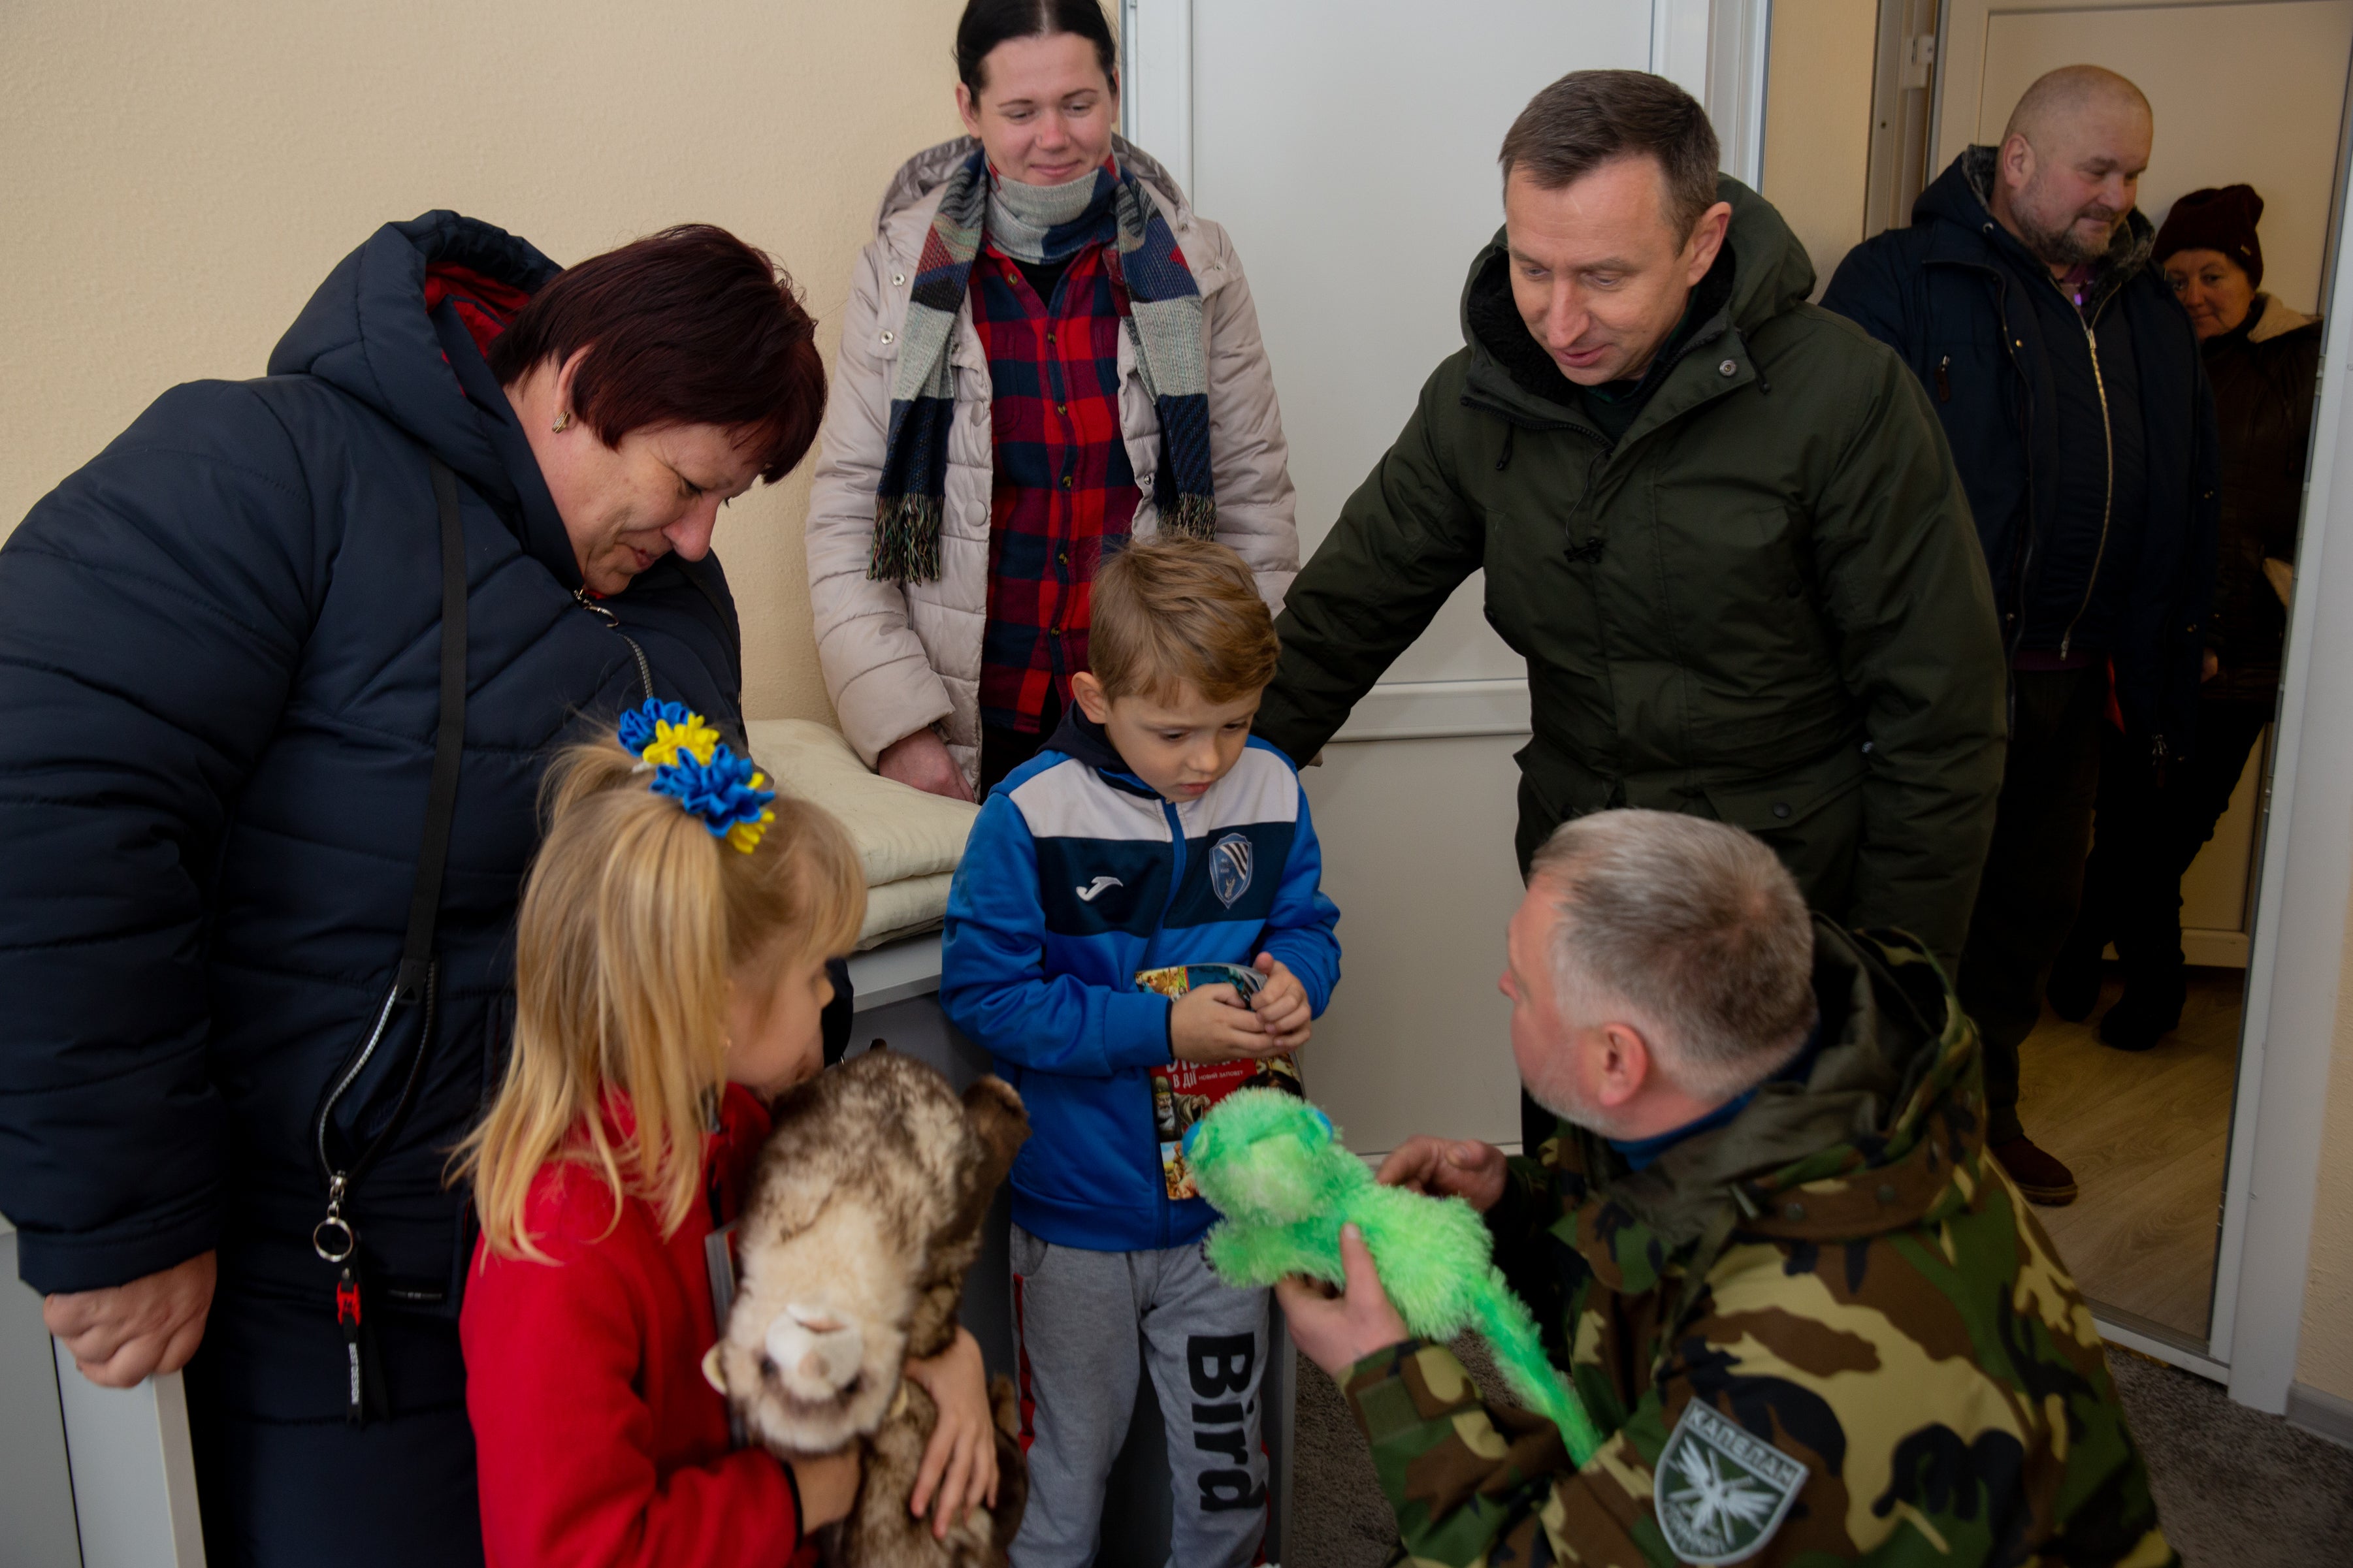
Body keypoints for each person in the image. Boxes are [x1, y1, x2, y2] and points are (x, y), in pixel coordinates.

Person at [0, 216, 826, 1565]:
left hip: (600, 1271)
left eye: (725, 502)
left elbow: (711, 882)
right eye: (684, 483)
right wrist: (119, 1209)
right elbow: (47, 792)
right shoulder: (273, 472)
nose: (696, 537)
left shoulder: (668, 612)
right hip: (348, 1307)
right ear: (575, 390)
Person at [1249, 68, 2005, 1158]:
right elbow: (1338, 620)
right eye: (1530, 267)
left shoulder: (1842, 399)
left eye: (1603, 276)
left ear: (1702, 245)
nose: (1559, 319)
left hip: (1782, 927)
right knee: (1579, 1226)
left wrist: (1889, 987)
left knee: (1752, 1269)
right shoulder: (1477, 400)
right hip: (1582, 916)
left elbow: (1944, 719)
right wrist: (1178, 799)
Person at [1277, 809, 2177, 1567]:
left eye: (1522, 989)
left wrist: (1382, 1370)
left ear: (1616, 1059)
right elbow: (1670, 1249)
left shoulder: (1782, 1374)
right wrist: (1512, 1208)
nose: (1501, 985)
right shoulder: (1822, 1099)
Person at [457, 706, 997, 1565]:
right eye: (813, 972)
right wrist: (791, 1497)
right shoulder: (559, 1253)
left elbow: (836, 1304)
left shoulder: (741, 1130)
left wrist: (943, 1350)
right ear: (710, 1007)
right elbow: (573, 1550)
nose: (828, 996)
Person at [1824, 66, 2218, 1205]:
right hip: (1932, 678)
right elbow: (1832, 487)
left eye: (2133, 170)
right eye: (2098, 169)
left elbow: (2191, 485)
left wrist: (2180, 636)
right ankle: (1873, 1144)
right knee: (1905, 920)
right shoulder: (1901, 279)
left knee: (2027, 920)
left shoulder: (2144, 305)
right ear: (2020, 162)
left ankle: (1985, 1118)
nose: (2119, 195)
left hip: (2079, 678)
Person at [939, 536, 1341, 1565]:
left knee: (1224, 1475)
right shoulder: (1026, 815)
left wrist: (1302, 977)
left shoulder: (1272, 790)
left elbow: (1304, 923)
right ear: (1095, 695)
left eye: (1235, 724)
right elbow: (987, 996)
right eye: (1174, 732)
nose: (1208, 761)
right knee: (1065, 1474)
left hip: (1226, 1218)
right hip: (1077, 1220)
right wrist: (1159, 1028)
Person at [807, 0, 1299, 803]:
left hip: (1154, 722)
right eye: (1019, 111)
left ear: (1113, 87)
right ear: (968, 108)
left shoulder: (1195, 264)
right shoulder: (901, 270)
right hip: (969, 727)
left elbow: (1250, 503)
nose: (1054, 137)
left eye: (1078, 104)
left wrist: (1229, 712)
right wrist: (899, 726)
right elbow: (848, 513)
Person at [2051, 185, 2318, 1049]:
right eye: (2177, 277)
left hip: (2243, 653)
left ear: (2250, 277)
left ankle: (2149, 989)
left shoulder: (2307, 360)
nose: (2195, 293)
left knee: (2157, 844)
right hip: (2135, 647)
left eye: (2214, 274)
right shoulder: (2139, 355)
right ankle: (2078, 951)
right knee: (2120, 822)